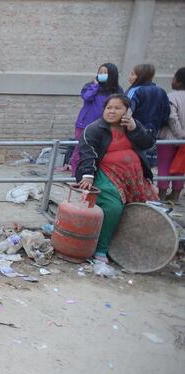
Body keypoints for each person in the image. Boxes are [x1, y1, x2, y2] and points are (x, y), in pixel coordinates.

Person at [76, 94, 157, 262]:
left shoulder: (132, 125)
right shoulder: (95, 129)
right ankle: (101, 249)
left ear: (127, 111)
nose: (112, 111)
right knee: (113, 207)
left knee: (148, 207)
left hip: (133, 177)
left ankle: (136, 247)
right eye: (109, 108)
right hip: (105, 173)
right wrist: (88, 176)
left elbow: (148, 143)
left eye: (117, 108)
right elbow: (87, 153)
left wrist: (135, 128)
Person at [68, 63, 124, 175]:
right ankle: (76, 174)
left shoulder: (117, 90)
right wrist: (95, 86)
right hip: (85, 124)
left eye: (105, 72)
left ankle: (94, 174)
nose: (102, 74)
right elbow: (87, 97)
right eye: (100, 72)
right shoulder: (90, 86)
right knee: (80, 149)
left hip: (105, 124)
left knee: (100, 150)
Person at [157, 67, 185, 202]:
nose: (172, 80)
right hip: (183, 141)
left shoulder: (171, 97)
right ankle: (175, 195)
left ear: (179, 81)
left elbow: (172, 117)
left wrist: (180, 135)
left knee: (164, 166)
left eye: (174, 78)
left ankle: (161, 195)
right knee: (180, 167)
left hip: (168, 139)